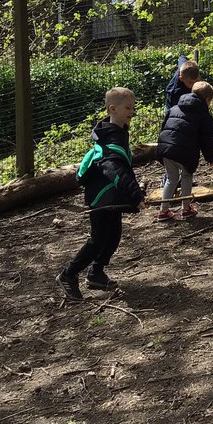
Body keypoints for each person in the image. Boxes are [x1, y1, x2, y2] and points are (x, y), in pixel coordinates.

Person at [56, 87, 144, 301]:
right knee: (98, 239)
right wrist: (135, 195)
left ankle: (96, 273)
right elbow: (117, 172)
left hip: (111, 197)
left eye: (133, 107)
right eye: (128, 108)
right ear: (112, 109)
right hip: (101, 197)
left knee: (113, 236)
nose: (132, 112)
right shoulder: (110, 143)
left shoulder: (118, 132)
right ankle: (68, 275)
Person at [155, 81, 213, 221]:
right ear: (207, 100)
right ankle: (186, 208)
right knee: (187, 176)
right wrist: (211, 159)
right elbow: (206, 141)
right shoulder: (204, 115)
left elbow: (164, 127)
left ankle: (163, 211)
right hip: (184, 152)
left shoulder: (174, 108)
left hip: (165, 149)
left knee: (171, 178)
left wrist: (163, 146)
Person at [163, 57, 201, 123]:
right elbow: (176, 113)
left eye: (195, 81)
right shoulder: (176, 92)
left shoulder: (184, 68)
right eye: (190, 82)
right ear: (181, 78)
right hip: (173, 106)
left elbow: (182, 57)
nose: (193, 85)